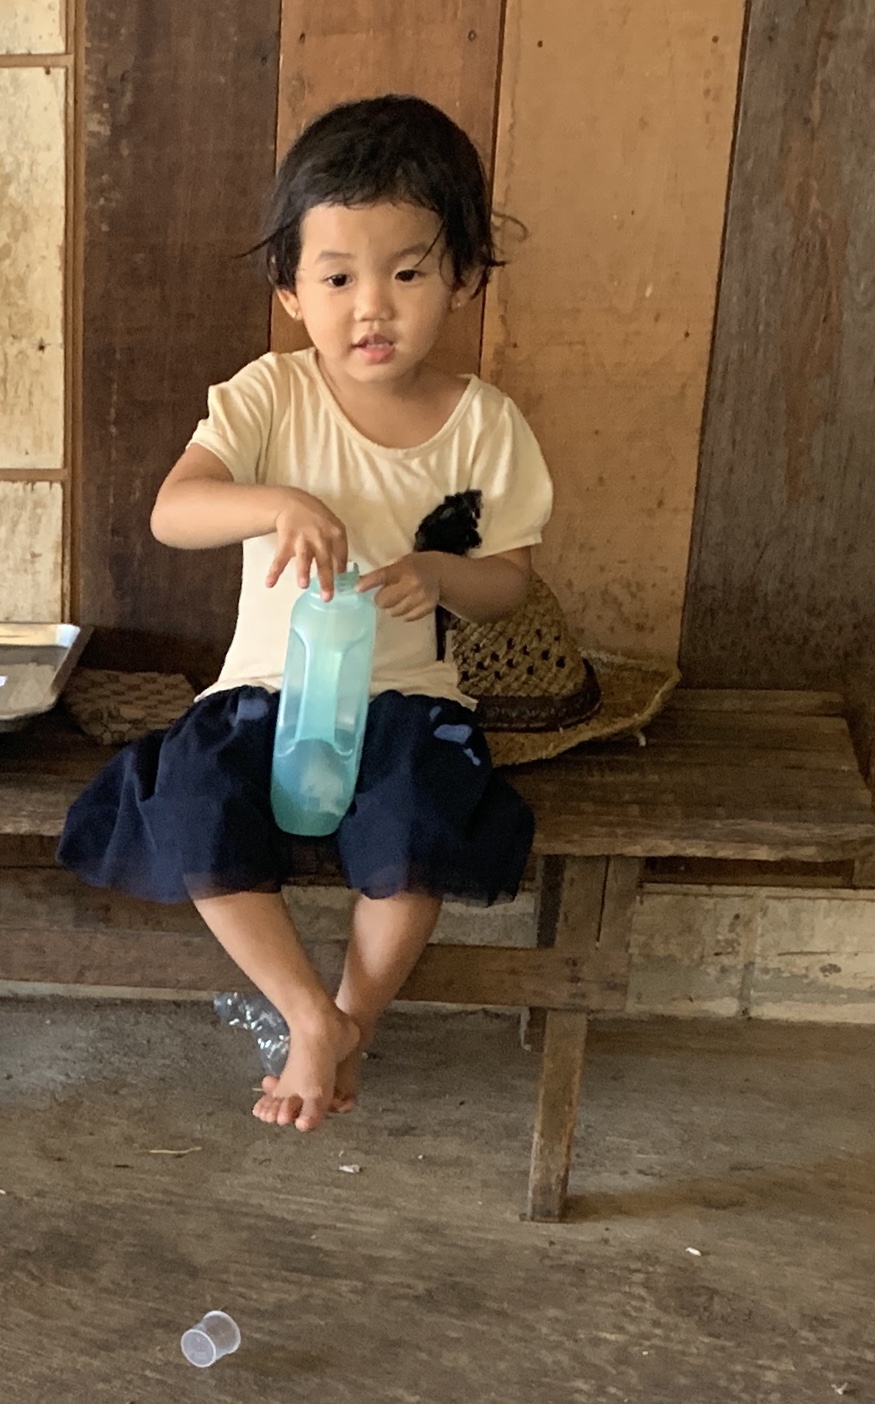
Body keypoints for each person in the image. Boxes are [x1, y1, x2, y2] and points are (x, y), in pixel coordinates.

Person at [58, 93, 550, 1132]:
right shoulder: (266, 397)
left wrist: (440, 573)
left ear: (461, 275)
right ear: (289, 289)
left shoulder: (482, 425)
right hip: (261, 696)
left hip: (403, 699)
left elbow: (508, 579)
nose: (369, 306)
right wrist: (275, 499)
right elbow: (173, 509)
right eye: (336, 277)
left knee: (417, 821)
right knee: (188, 794)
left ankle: (352, 1016)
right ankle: (302, 1014)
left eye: (405, 273)